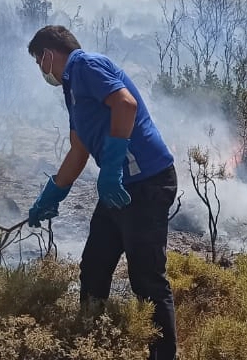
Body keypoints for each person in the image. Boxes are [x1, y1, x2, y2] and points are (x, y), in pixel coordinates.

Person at [26, 25, 177, 360]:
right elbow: (78, 149)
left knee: (147, 279)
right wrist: (52, 194)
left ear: (48, 54)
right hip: (121, 189)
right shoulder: (71, 89)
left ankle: (163, 356)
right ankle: (89, 343)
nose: (41, 70)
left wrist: (110, 170)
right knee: (94, 265)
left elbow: (125, 104)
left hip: (147, 182)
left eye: (39, 62)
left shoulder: (85, 65)